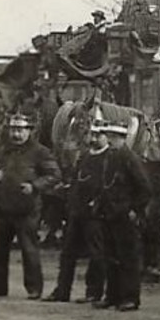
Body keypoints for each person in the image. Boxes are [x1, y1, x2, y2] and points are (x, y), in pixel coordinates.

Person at [0, 113, 60, 300]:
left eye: (20, 130)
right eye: (13, 129)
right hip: (2, 207)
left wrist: (35, 186)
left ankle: (34, 288)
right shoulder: (2, 150)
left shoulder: (40, 152)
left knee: (29, 250)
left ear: (29, 131)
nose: (16, 134)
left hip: (27, 209)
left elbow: (55, 175)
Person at [43, 120, 108, 304]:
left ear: (107, 137)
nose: (93, 139)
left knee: (96, 254)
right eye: (92, 134)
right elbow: (76, 182)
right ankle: (62, 290)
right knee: (67, 252)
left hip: (95, 214)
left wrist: (98, 204)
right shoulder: (85, 156)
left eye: (98, 135)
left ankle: (93, 292)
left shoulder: (109, 159)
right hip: (77, 213)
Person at [93, 117, 152, 311]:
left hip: (125, 216)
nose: (109, 140)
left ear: (123, 137)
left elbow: (145, 188)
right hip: (109, 214)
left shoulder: (129, 158)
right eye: (108, 135)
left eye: (114, 137)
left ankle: (130, 298)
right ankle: (112, 296)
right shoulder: (109, 157)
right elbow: (105, 185)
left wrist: (135, 210)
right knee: (111, 257)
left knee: (128, 258)